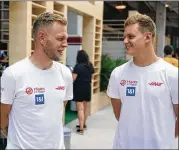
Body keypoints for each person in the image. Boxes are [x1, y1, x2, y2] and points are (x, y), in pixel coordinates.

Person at [0, 12, 73, 149]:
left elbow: (59, 111)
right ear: (42, 37)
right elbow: (2, 118)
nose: (65, 44)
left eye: (66, 39)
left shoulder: (65, 73)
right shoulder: (13, 74)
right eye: (60, 38)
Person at [107, 13, 178, 149]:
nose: (125, 41)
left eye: (131, 37)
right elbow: (120, 115)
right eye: (124, 37)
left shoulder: (172, 75)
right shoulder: (118, 74)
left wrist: (164, 138)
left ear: (147, 37)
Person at [72, 50, 94, 135]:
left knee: (80, 108)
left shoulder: (78, 66)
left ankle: (81, 129)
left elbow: (73, 78)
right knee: (85, 108)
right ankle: (84, 124)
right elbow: (91, 77)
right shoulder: (90, 65)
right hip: (87, 87)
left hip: (79, 88)